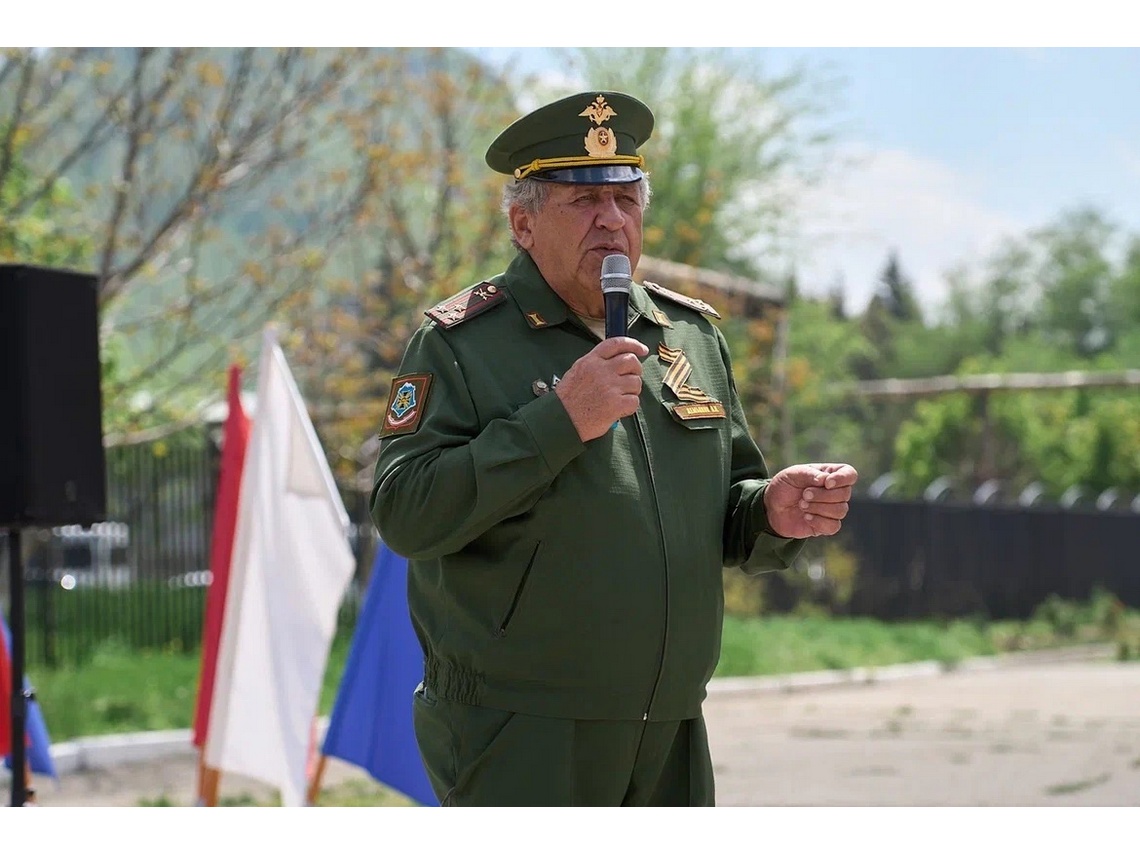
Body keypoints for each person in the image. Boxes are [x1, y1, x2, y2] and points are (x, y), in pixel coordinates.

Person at [370, 90, 858, 807]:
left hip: (669, 724)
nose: (612, 219)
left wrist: (771, 512)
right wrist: (559, 420)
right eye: (583, 201)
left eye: (627, 199)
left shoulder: (690, 336)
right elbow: (406, 513)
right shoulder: (461, 343)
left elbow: (724, 510)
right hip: (521, 728)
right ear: (523, 223)